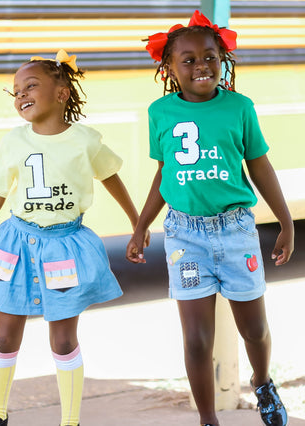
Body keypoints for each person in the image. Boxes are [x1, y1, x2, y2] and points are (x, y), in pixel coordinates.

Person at [126, 11, 294, 426]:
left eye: (210, 57)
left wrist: (286, 222)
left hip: (235, 230)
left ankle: (262, 381)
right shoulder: (160, 112)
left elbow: (260, 166)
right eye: (189, 60)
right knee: (197, 339)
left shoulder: (239, 107)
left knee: (254, 329)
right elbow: (165, 172)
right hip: (186, 237)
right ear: (168, 68)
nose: (201, 66)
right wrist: (142, 223)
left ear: (223, 60)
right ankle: (207, 420)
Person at [0, 49, 147, 426]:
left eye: (31, 86)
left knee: (63, 340)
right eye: (15, 91)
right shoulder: (13, 142)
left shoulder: (85, 141)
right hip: (14, 244)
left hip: (64, 248)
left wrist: (137, 224)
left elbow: (112, 178)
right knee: (5, 336)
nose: (21, 95)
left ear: (62, 93)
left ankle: (70, 420)